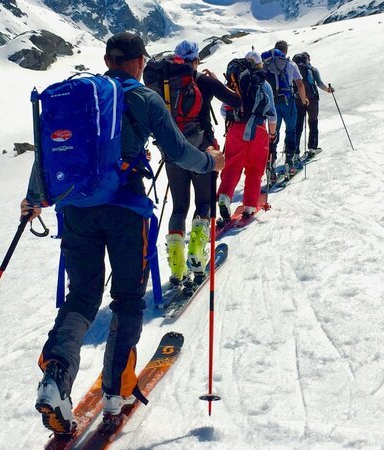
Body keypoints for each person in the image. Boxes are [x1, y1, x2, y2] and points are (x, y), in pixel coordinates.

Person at [22, 32, 225, 434]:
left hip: (75, 211)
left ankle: (56, 377)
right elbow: (178, 151)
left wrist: (33, 199)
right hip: (126, 212)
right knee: (127, 299)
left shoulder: (81, 98)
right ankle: (116, 391)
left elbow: (51, 152)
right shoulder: (143, 97)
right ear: (137, 61)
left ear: (106, 58)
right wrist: (210, 163)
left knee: (82, 296)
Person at [164, 40, 242, 285]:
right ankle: (197, 256)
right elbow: (237, 102)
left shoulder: (165, 83)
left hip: (173, 150)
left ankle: (176, 266)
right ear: (196, 59)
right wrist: (216, 81)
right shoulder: (203, 81)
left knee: (179, 206)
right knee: (204, 202)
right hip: (203, 147)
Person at [217, 51, 277, 220]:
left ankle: (225, 196)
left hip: (235, 129)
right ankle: (250, 206)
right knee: (254, 169)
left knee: (232, 165)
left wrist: (236, 120)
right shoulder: (264, 84)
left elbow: (223, 110)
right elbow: (272, 114)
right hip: (259, 131)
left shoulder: (234, 81)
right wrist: (272, 133)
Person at [264, 40, 308, 178]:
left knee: (272, 135)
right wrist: (303, 99)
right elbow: (300, 84)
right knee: (291, 130)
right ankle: (290, 162)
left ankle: (270, 166)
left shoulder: (266, 64)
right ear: (286, 51)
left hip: (272, 104)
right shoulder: (290, 64)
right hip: (288, 102)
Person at [293, 52, 334, 158]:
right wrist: (328, 90)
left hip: (298, 99)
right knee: (313, 122)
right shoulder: (312, 69)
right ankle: (312, 147)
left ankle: (295, 152)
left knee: (298, 125)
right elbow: (319, 83)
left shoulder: (293, 70)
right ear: (307, 59)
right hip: (312, 99)